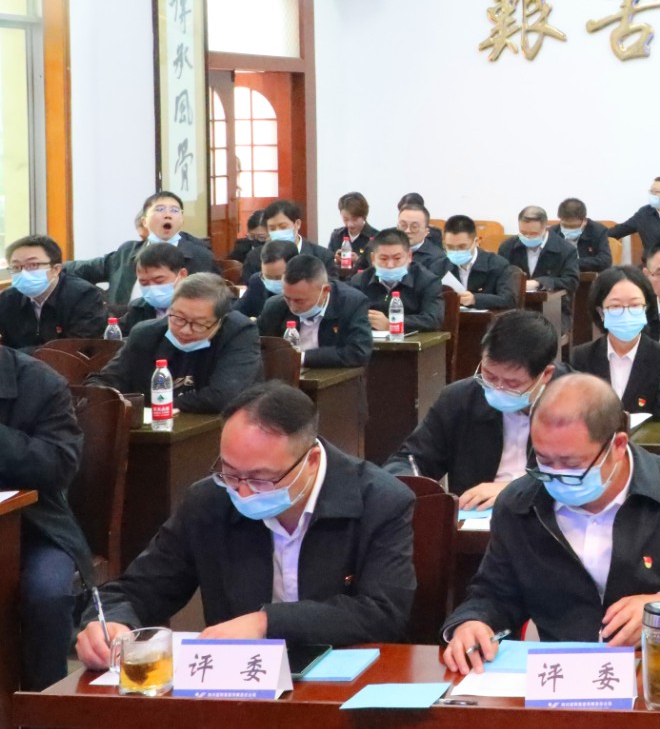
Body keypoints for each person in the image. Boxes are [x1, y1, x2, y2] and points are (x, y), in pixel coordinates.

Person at [73, 381, 415, 666]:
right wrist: (109, 623)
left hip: (343, 677)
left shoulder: (380, 501)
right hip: (237, 686)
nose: (243, 491)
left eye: (261, 478)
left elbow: (382, 612)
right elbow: (138, 590)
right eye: (230, 471)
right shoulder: (210, 500)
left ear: (311, 461)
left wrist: (266, 622)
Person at [442, 374, 660, 665]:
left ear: (618, 445)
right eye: (544, 460)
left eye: (572, 464)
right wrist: (473, 621)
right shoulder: (520, 504)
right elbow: (495, 592)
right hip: (563, 678)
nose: (557, 476)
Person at [387, 310, 559, 509]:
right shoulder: (460, 398)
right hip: (474, 516)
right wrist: (416, 484)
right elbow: (410, 459)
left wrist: (515, 489)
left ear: (546, 374)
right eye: (489, 376)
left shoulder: (577, 404)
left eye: (512, 384)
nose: (497, 389)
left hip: (545, 517)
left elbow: (583, 476)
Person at [1, 343, 92, 690]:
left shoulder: (39, 383)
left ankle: (45, 701)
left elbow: (58, 465)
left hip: (35, 528)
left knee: (47, 593)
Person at [91, 273, 262, 413]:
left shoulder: (239, 332)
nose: (185, 330)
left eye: (199, 324)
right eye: (178, 318)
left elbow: (223, 396)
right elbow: (105, 382)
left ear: (220, 321)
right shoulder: (146, 334)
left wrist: (157, 406)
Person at [567, 266, 660, 419]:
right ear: (601, 312)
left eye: (635, 305)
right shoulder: (579, 358)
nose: (626, 313)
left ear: (646, 308)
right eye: (615, 306)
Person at [65, 191, 216, 304]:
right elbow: (85, 268)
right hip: (124, 323)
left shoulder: (199, 255)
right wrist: (54, 268)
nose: (168, 215)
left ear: (181, 220)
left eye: (174, 210)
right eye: (160, 209)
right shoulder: (127, 251)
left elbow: (210, 300)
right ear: (144, 221)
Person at [257, 255, 375, 369]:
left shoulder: (351, 303)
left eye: (299, 301)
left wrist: (301, 357)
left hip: (335, 376)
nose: (293, 307)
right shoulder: (275, 306)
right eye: (287, 298)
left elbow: (359, 351)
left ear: (325, 291)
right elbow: (256, 345)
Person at [0, 235, 108, 352]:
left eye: (33, 265)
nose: (23, 273)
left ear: (55, 269)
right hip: (16, 362)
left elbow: (76, 349)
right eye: (16, 267)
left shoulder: (85, 296)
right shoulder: (7, 299)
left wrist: (15, 357)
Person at [351, 228, 444, 333]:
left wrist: (392, 324)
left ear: (409, 256)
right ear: (373, 259)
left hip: (413, 341)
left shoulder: (427, 281)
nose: (390, 265)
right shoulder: (359, 281)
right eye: (383, 259)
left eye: (397, 258)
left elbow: (433, 319)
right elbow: (347, 315)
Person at [495, 206, 580, 296]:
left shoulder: (566, 249)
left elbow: (571, 281)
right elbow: (498, 276)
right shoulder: (508, 246)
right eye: (523, 233)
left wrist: (539, 283)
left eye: (533, 233)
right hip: (514, 299)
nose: (527, 237)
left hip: (553, 301)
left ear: (545, 229)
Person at [242, 199, 336, 278]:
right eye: (272, 228)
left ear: (297, 224)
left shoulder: (323, 256)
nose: (278, 232)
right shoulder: (255, 257)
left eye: (283, 227)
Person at [440, 216, 518, 310]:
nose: (456, 251)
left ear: (476, 242)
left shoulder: (498, 265)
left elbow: (509, 300)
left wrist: (475, 299)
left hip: (486, 317)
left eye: (462, 246)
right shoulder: (440, 265)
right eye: (450, 247)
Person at [121, 243, 190, 331]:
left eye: (159, 281)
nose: (152, 288)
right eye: (144, 283)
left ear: (182, 275)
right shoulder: (138, 309)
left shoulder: (200, 307)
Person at [235, 239, 298, 320]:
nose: (272, 282)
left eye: (278, 277)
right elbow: (236, 312)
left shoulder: (306, 288)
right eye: (267, 277)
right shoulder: (257, 281)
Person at [557, 197, 614, 273]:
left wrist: (572, 263)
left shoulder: (597, 230)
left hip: (589, 275)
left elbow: (605, 261)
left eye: (573, 226)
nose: (569, 229)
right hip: (561, 277)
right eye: (565, 226)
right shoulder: (553, 233)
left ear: (584, 221)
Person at [397, 203, 449, 278]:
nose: (407, 231)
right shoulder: (387, 249)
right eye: (403, 225)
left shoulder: (438, 259)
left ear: (426, 231)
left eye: (414, 227)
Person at [327, 191, 377, 268]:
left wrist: (359, 261)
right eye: (345, 219)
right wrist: (335, 259)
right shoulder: (336, 236)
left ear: (364, 216)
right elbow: (327, 264)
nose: (350, 224)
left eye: (355, 219)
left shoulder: (376, 237)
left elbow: (378, 267)